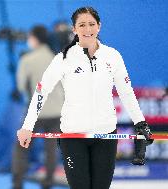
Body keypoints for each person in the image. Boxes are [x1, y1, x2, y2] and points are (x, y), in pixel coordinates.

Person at [17, 7, 153, 189]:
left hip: (105, 136)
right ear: (74, 29)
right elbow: (41, 93)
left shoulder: (112, 56)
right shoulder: (63, 59)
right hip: (73, 136)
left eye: (91, 24)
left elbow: (126, 92)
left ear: (99, 26)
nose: (87, 29)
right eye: (82, 25)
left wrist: (140, 123)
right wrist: (27, 126)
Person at [12, 25, 64, 189]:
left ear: (34, 38)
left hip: (35, 111)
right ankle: (48, 181)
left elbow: (21, 87)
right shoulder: (58, 57)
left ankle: (18, 183)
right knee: (51, 148)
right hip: (57, 110)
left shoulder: (27, 59)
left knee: (22, 147)